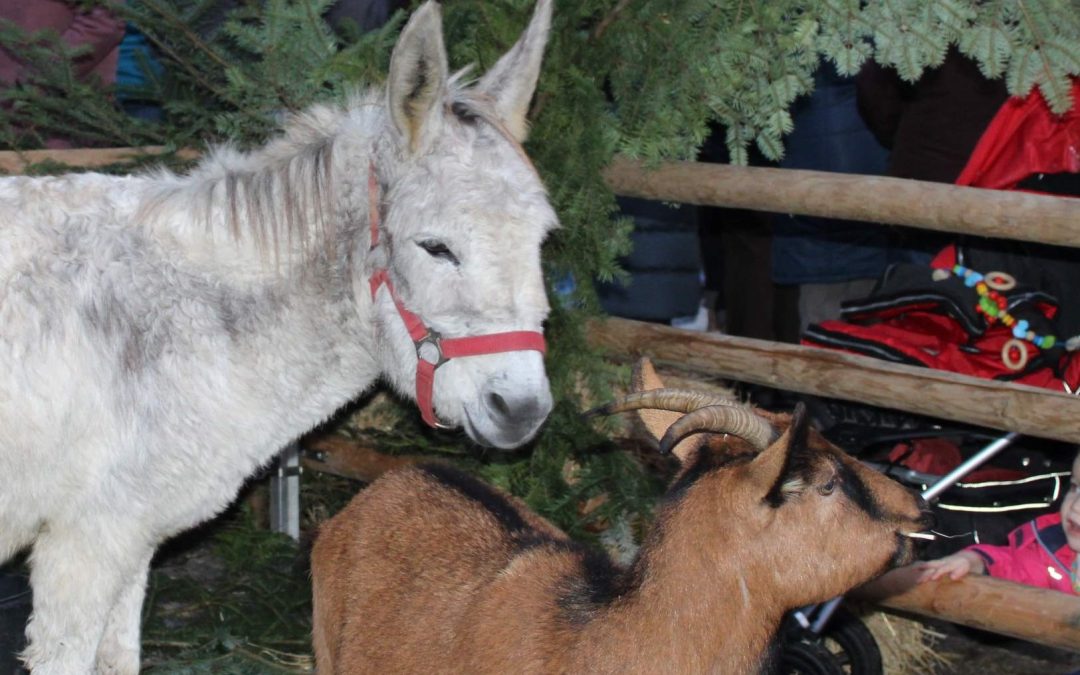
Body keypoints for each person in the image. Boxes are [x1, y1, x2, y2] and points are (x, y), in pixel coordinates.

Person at [917, 450, 1080, 594]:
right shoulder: (1052, 547)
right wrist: (975, 561)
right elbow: (1017, 566)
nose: (1076, 506)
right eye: (1075, 487)